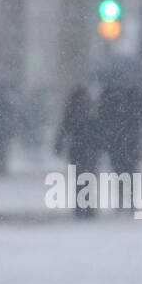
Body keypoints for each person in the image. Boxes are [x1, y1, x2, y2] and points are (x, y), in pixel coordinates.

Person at [54, 82, 103, 218]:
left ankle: (81, 206)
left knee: (80, 178)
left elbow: (64, 129)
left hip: (78, 149)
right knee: (88, 178)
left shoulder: (72, 109)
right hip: (89, 149)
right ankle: (87, 206)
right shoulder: (92, 109)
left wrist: (58, 145)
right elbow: (99, 129)